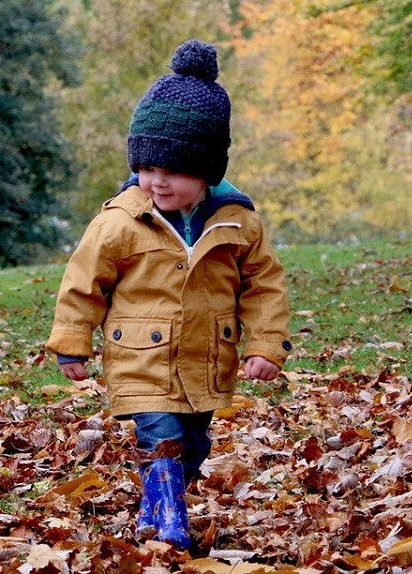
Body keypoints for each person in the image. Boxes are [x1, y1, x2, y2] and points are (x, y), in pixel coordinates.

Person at [45, 39, 292, 550]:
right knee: (162, 437)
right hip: (140, 356)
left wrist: (266, 346)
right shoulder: (121, 220)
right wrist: (72, 339)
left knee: (194, 444)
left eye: (173, 171)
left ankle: (154, 509)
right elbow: (84, 279)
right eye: (148, 167)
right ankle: (172, 524)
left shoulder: (238, 221)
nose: (156, 181)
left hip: (206, 360)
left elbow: (264, 286)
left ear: (206, 171)